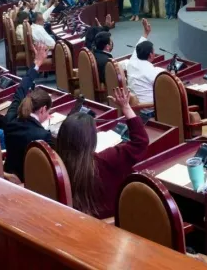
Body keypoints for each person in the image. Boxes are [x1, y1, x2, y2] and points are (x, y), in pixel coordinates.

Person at [56, 86, 149, 219]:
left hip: (72, 220)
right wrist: (126, 107)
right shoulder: (105, 160)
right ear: (91, 139)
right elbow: (141, 142)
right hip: (109, 223)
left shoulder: (57, 163)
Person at [3, 44, 53, 182]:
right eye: (48, 112)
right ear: (42, 109)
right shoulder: (43, 136)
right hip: (29, 184)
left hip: (8, 176)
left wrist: (37, 64)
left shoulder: (10, 120)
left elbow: (21, 89)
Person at [119, 20, 160, 111]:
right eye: (154, 51)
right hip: (149, 109)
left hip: (133, 106)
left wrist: (146, 33)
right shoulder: (153, 71)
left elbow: (138, 47)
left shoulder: (132, 62)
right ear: (151, 55)